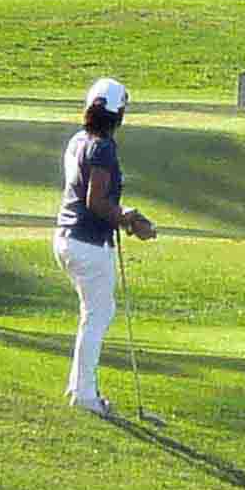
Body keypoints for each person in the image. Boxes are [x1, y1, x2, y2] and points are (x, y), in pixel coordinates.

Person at [55, 74, 156, 417]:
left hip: (66, 238)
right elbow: (96, 201)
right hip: (87, 243)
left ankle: (81, 387)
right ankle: (84, 395)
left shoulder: (78, 140)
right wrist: (129, 218)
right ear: (119, 115)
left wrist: (121, 217)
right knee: (97, 315)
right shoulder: (103, 148)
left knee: (96, 313)